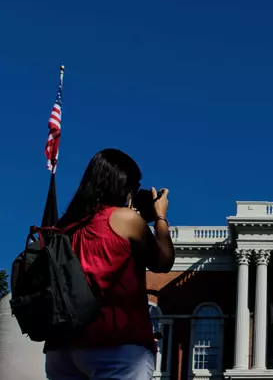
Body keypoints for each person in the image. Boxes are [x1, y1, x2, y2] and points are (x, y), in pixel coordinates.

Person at [43, 148, 175, 380]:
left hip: (61, 348)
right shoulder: (125, 219)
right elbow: (164, 261)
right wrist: (160, 216)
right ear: (124, 186)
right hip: (115, 343)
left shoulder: (65, 226)